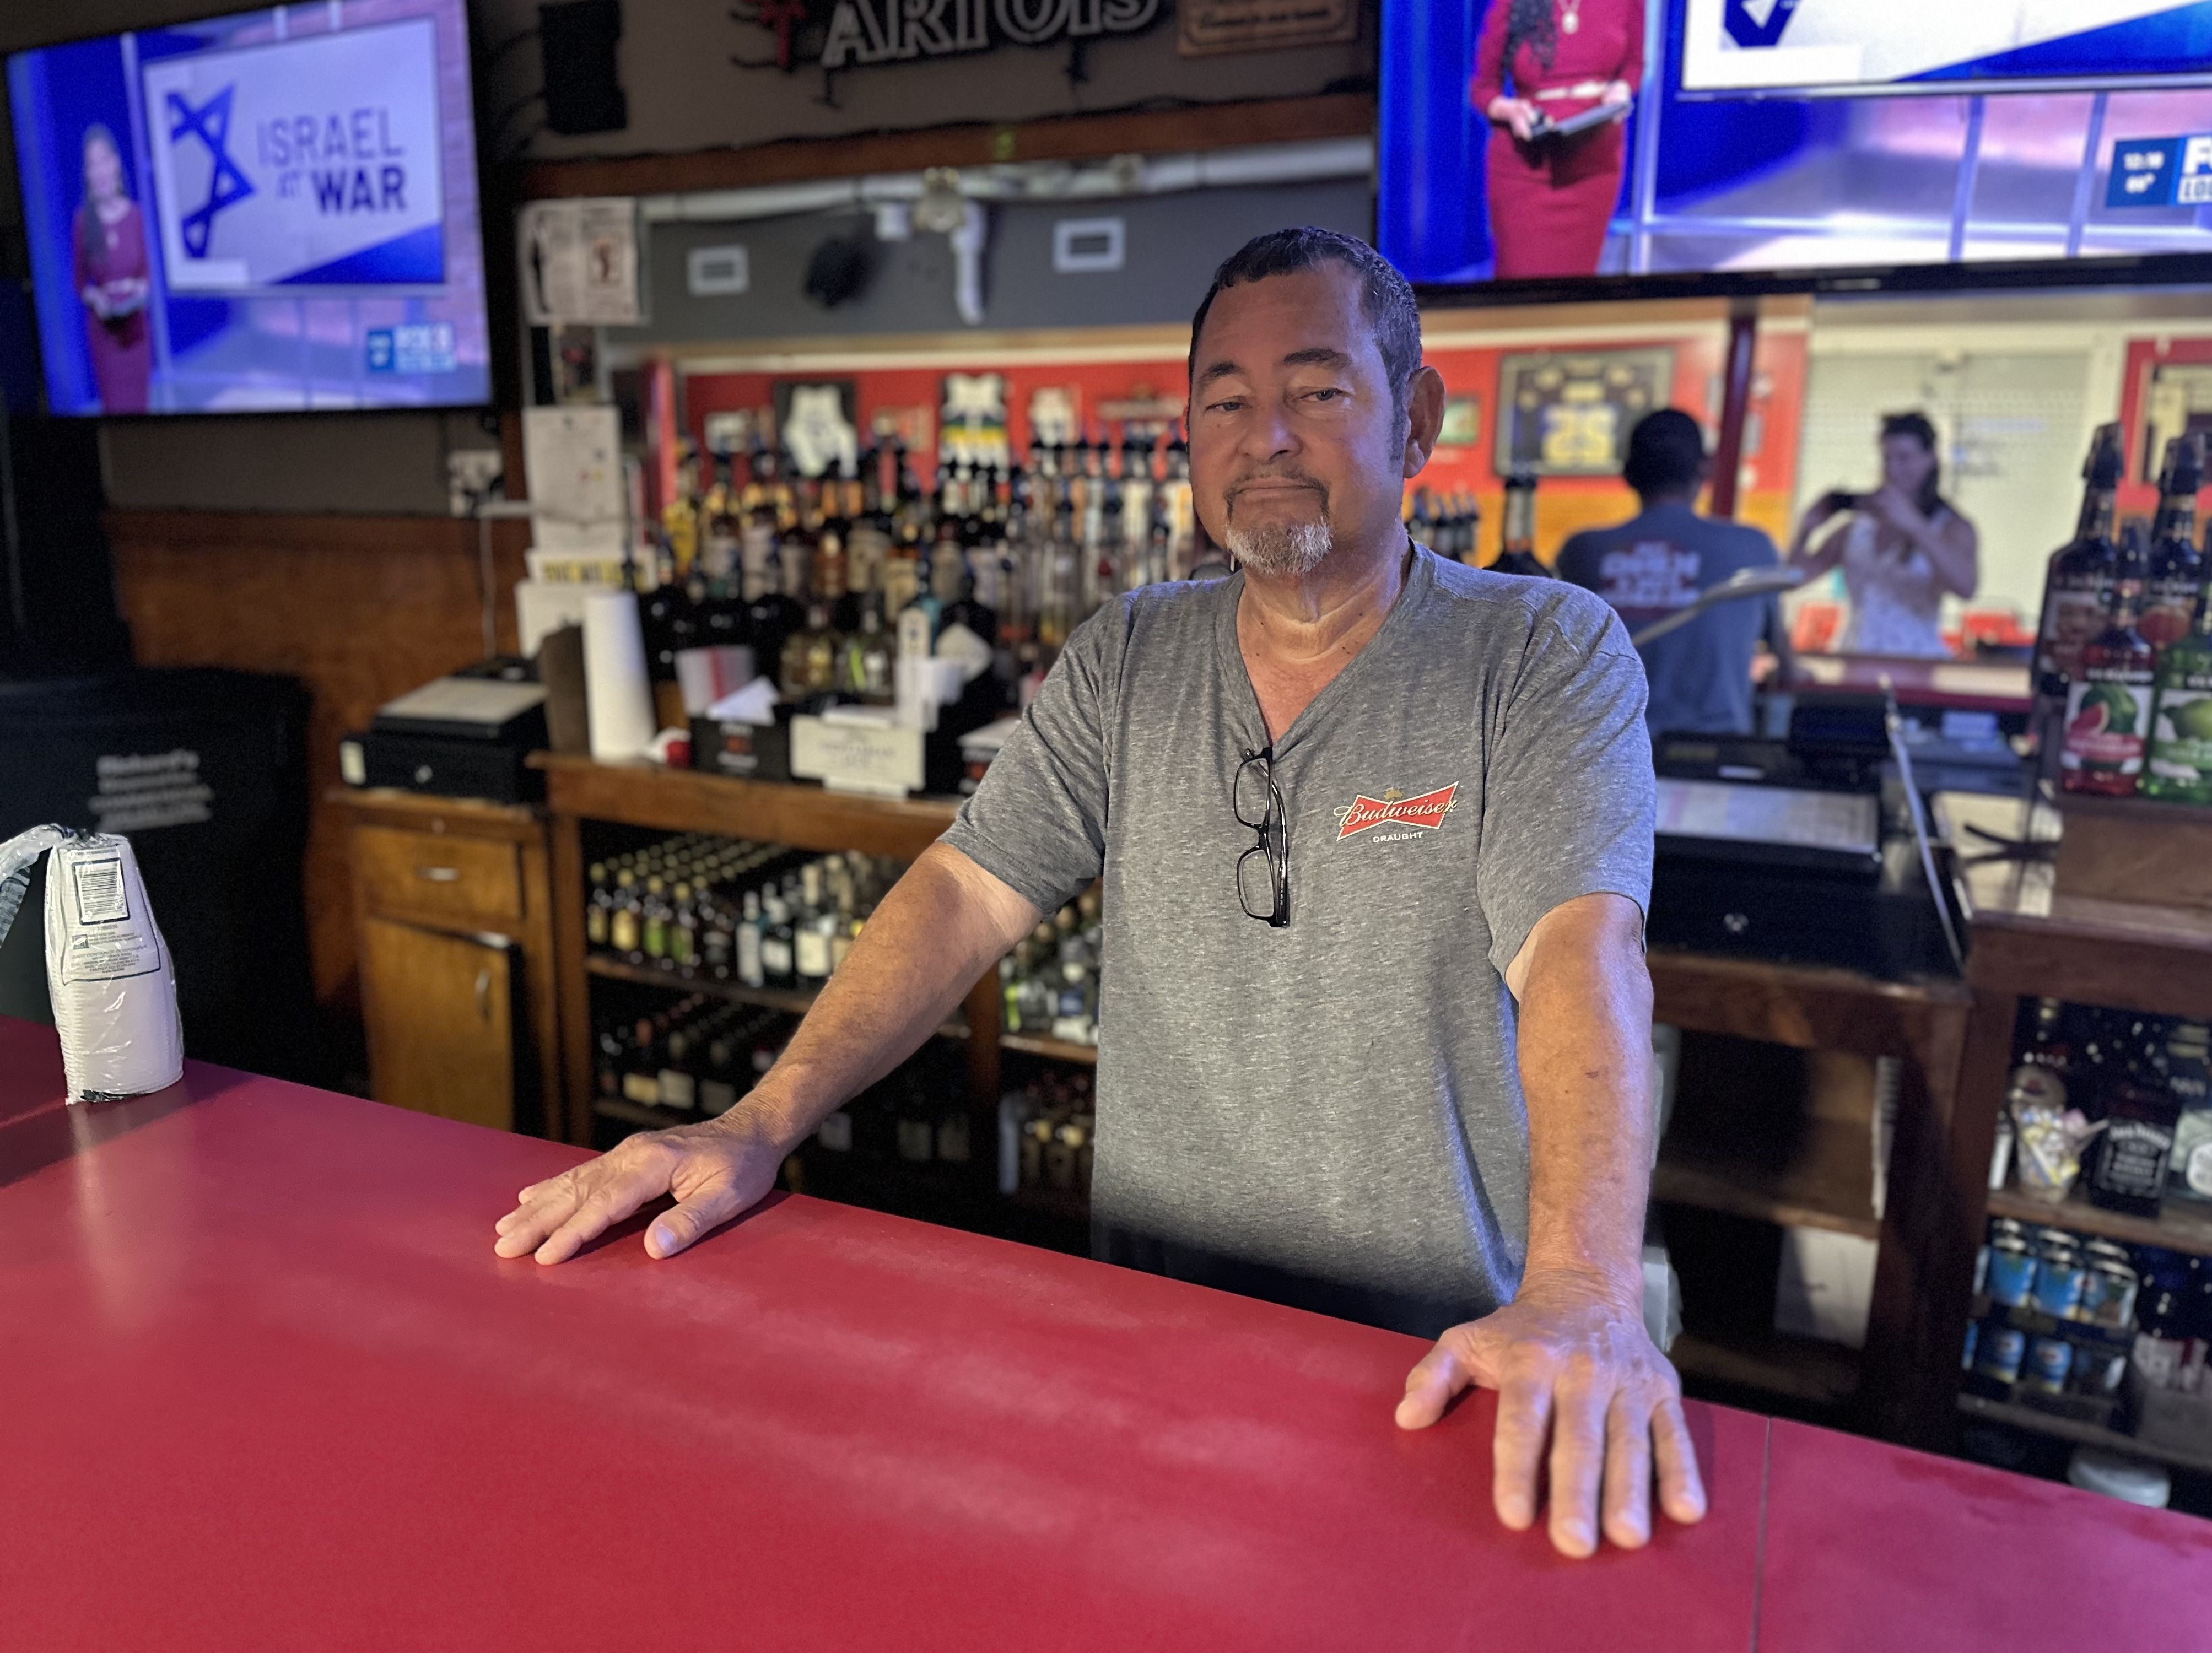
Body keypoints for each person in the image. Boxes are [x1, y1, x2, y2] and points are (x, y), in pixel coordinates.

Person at [495, 229, 1707, 1560]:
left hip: (1432, 1363)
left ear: (1413, 417)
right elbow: (962, 894)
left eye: (1317, 390)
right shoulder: (1129, 656)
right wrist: (757, 1122)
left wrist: (1584, 1290)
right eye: (1226, 402)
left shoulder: (1537, 649)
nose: (1266, 438)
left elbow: (1581, 953)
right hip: (1147, 1344)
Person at [1558, 408, 1787, 737]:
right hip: (1715, 758)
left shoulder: (1582, 551)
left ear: (1628, 473)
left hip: (1605, 756)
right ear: (1706, 468)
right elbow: (1784, 659)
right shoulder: (1753, 547)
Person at [1470, 0, 1645, 280]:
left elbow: (1634, 65)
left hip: (1595, 163)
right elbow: (1483, 89)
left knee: (1575, 295)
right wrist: (1511, 111)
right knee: (1521, 294)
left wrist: (1623, 89)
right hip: (1526, 166)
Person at [1788, 412, 1978, 658]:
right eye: (1887, 458)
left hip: (1917, 664)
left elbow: (1966, 587)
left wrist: (1915, 526)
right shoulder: (1858, 528)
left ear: (1930, 459)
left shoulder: (1951, 527)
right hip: (1854, 658)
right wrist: (1805, 530)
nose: (1893, 469)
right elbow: (1793, 580)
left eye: (1905, 458)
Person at [71, 123, 151, 415]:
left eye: (105, 160)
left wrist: (139, 290)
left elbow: (147, 274)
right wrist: (97, 299)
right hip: (106, 336)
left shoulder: (136, 217)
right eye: (93, 165)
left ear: (116, 164)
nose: (101, 170)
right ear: (87, 175)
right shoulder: (83, 222)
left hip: (137, 333)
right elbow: (80, 283)